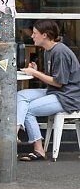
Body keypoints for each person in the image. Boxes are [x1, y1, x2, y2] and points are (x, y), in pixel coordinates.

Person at [16, 20, 80, 161]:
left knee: (29, 110)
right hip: (55, 92)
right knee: (20, 95)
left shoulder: (60, 51)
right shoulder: (48, 51)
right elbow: (53, 77)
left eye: (34, 33)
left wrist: (35, 74)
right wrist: (36, 71)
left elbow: (59, 82)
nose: (32, 36)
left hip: (68, 96)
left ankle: (39, 150)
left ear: (44, 35)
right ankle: (15, 130)